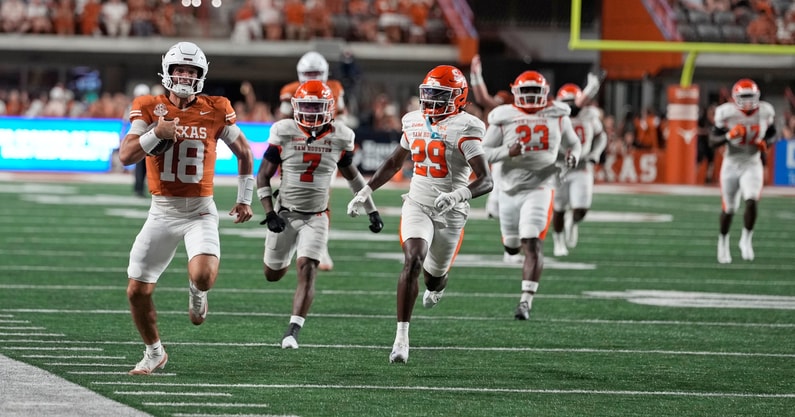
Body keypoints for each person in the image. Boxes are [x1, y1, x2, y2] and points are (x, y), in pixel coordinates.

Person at [118, 41, 255, 375]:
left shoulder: (217, 107)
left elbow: (245, 152)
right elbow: (126, 156)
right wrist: (155, 134)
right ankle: (154, 352)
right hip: (162, 211)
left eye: (191, 71)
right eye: (179, 69)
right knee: (137, 290)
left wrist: (245, 197)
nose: (184, 76)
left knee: (204, 275)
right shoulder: (148, 106)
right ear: (167, 71)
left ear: (201, 75)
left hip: (199, 211)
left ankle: (197, 291)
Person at [348, 65, 493, 363]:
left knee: (433, 279)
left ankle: (439, 285)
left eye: (440, 95)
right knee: (412, 258)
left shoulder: (467, 127)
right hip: (417, 203)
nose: (432, 101)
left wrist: (458, 194)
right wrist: (365, 191)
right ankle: (401, 338)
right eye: (429, 94)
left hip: (451, 212)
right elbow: (393, 162)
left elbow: (486, 179)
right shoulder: (413, 120)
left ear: (458, 98)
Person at [257, 80, 383, 349]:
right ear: (295, 107)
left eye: (317, 106)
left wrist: (372, 210)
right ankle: (289, 250)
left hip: (317, 216)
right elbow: (263, 175)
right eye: (307, 106)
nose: (312, 112)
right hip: (285, 214)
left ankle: (292, 330)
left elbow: (353, 177)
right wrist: (269, 213)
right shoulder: (284, 131)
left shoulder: (341, 136)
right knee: (272, 274)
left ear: (330, 108)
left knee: (308, 268)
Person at [482, 70, 581, 320]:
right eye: (525, 91)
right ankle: (513, 251)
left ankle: (526, 301)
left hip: (540, 185)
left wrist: (574, 155)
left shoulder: (558, 115)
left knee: (532, 241)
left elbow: (574, 142)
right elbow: (482, 153)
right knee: (512, 246)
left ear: (544, 93)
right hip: (508, 188)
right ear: (516, 92)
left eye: (534, 92)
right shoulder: (503, 116)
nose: (529, 97)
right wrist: (508, 151)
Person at [275, 51, 349, 271]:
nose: (312, 77)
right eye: (308, 73)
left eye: (316, 73)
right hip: (298, 150)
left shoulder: (335, 88)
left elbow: (342, 117)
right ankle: (289, 240)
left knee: (322, 198)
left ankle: (319, 246)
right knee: (289, 196)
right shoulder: (290, 91)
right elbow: (283, 124)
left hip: (324, 148)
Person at [709, 78, 776, 264]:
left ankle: (746, 239)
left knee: (752, 201)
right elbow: (712, 141)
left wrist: (766, 143)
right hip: (731, 163)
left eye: (750, 96)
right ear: (734, 98)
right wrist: (729, 135)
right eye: (743, 97)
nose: (747, 101)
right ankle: (723, 241)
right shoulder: (726, 113)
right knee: (729, 209)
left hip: (752, 162)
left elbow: (772, 133)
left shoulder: (765, 111)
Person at [550, 83, 607, 257]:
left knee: (581, 209)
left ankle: (573, 222)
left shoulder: (590, 115)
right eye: (566, 102)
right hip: (560, 166)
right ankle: (558, 241)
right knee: (559, 208)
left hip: (582, 165)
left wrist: (595, 153)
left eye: (572, 101)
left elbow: (601, 137)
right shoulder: (554, 117)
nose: (570, 105)